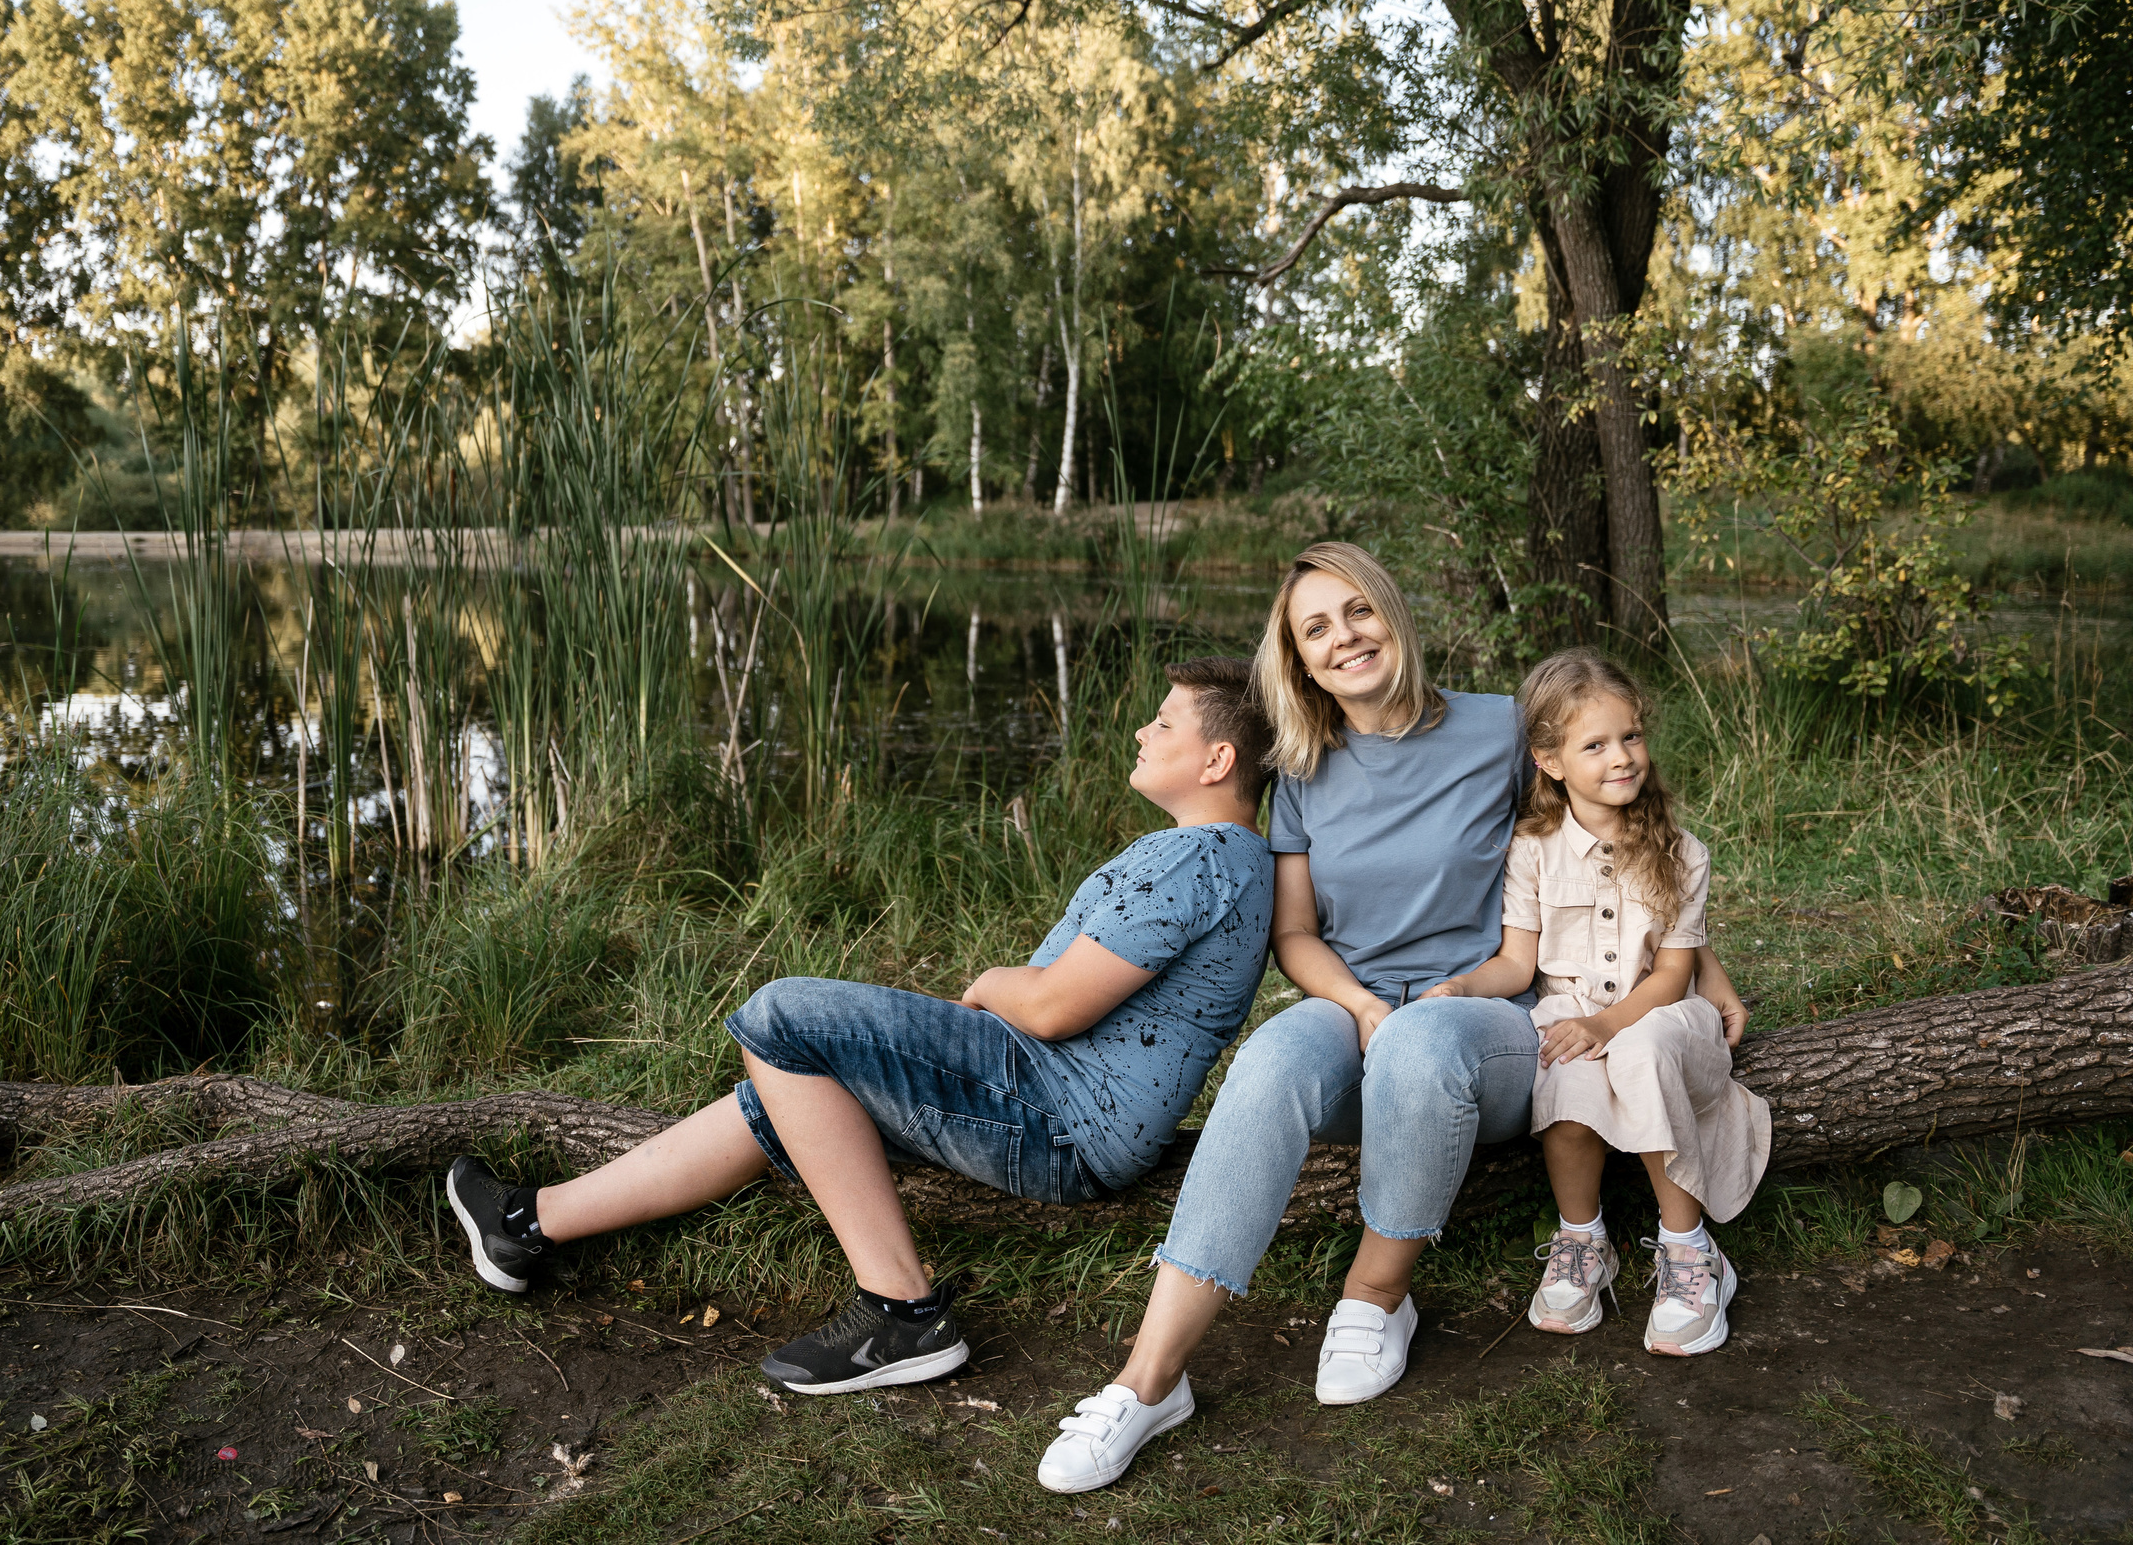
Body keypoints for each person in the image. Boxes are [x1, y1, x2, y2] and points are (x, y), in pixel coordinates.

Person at [1034, 543, 1748, 1496]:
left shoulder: (1501, 731)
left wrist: (1704, 962)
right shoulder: (1301, 768)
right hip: (1355, 1008)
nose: (1344, 638)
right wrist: (1362, 1004)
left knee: (1420, 1041)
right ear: (1298, 658)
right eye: (1315, 629)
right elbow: (1295, 935)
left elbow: (1619, 842)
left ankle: (1375, 1297)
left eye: (1357, 611)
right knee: (1273, 1057)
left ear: (1393, 613)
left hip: (1491, 1022)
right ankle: (1148, 1379)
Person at [444, 657, 1276, 1397]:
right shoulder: (1227, 861)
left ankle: (904, 1312)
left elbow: (1059, 1006)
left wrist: (987, 982)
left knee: (782, 1016)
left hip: (1058, 1116)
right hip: (1057, 1104)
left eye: (1163, 720)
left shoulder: (1201, 856)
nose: (1141, 728)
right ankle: (525, 1224)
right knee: (787, 1097)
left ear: (1217, 758)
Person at [1489, 649, 1768, 1355]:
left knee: (1638, 1051)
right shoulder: (1531, 850)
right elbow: (1518, 961)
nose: (1622, 756)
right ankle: (1583, 1242)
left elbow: (1674, 974)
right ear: (1549, 760)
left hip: (1665, 1016)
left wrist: (1607, 1025)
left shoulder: (1682, 852)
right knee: (1566, 1068)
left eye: (1632, 736)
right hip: (1572, 1007)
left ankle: (1689, 1251)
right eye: (1596, 743)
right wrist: (1458, 989)